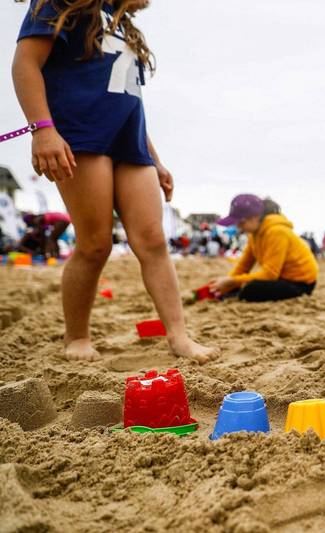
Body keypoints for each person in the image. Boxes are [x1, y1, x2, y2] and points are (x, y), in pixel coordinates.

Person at [12, 0, 216, 363]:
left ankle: (179, 336)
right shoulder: (60, 3)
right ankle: (77, 337)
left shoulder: (123, 23)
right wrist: (42, 130)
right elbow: (25, 64)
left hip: (130, 143)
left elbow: (127, 98)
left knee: (153, 240)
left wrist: (155, 159)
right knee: (94, 245)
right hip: (81, 135)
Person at [210, 195, 318, 302]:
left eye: (241, 222)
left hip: (301, 282)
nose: (238, 226)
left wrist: (232, 281)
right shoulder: (254, 235)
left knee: (251, 290)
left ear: (255, 217)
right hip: (281, 278)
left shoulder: (277, 232)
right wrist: (228, 283)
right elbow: (243, 266)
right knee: (239, 286)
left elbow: (270, 274)